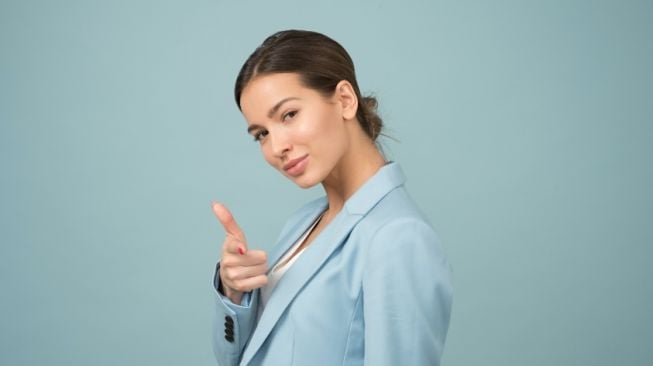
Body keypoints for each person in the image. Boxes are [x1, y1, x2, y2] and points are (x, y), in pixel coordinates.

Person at [210, 29, 452, 366]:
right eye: (261, 134)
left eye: (289, 115)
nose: (277, 146)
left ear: (344, 100)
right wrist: (234, 291)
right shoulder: (303, 222)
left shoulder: (398, 237)